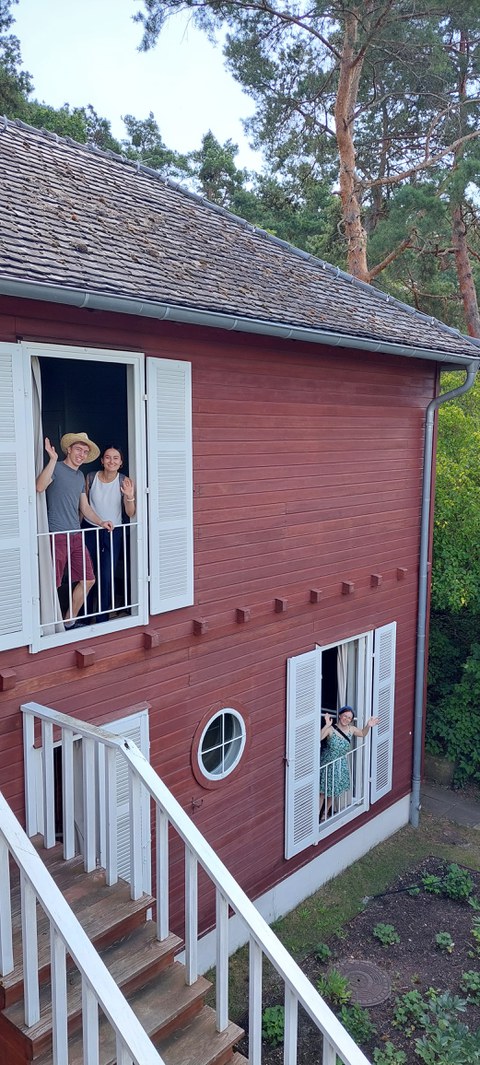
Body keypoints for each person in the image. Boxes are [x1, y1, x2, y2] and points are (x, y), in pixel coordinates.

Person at [35, 432, 113, 626]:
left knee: (88, 580)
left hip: (76, 534)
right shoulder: (57, 468)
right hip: (57, 535)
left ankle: (68, 621)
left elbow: (84, 507)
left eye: (85, 452)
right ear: (68, 449)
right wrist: (52, 459)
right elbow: (39, 486)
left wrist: (101, 521)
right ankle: (49, 625)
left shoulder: (79, 477)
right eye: (78, 449)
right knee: (52, 583)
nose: (81, 454)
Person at [84, 445, 135, 622]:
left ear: (121, 463)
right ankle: (84, 616)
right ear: (102, 460)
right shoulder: (91, 477)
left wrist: (129, 496)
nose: (111, 461)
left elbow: (130, 513)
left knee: (106, 576)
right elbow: (83, 506)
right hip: (90, 530)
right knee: (87, 574)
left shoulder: (124, 480)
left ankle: (102, 618)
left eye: (115, 458)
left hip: (113, 533)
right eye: (107, 457)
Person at [319, 705, 379, 822]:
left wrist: (368, 726)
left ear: (351, 720)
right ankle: (315, 816)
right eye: (345, 716)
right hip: (328, 763)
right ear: (340, 716)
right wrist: (326, 725)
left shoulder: (352, 729)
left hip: (340, 764)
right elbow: (319, 738)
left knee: (333, 792)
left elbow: (362, 733)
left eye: (349, 718)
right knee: (322, 793)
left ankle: (325, 813)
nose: (346, 719)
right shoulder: (331, 729)